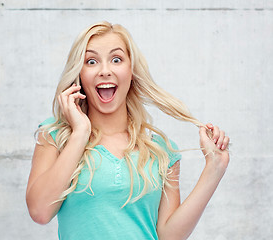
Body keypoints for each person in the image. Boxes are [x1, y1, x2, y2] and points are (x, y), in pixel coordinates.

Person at [26, 21, 230, 240]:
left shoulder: (161, 151)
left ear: (131, 71)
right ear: (79, 75)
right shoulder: (56, 137)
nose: (105, 71)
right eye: (91, 61)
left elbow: (168, 236)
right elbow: (40, 211)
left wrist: (214, 169)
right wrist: (80, 133)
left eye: (116, 59)